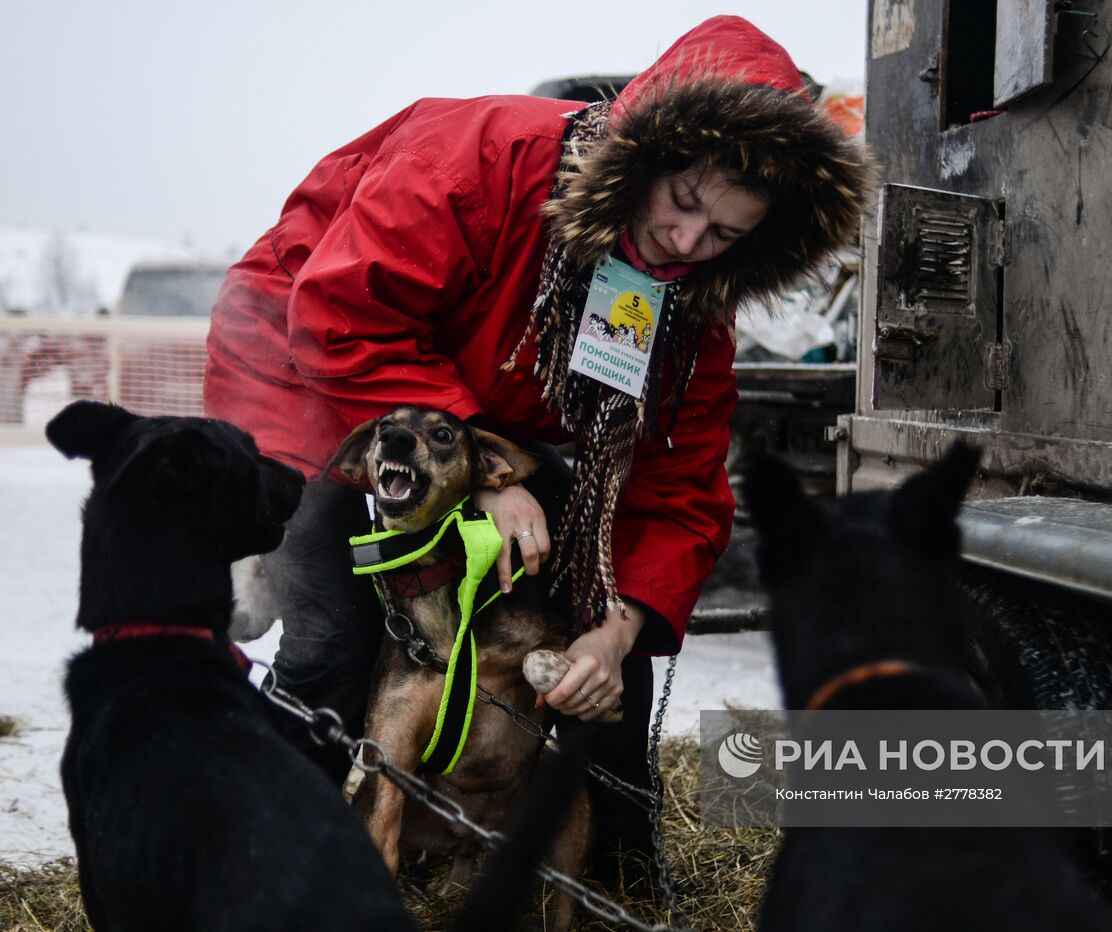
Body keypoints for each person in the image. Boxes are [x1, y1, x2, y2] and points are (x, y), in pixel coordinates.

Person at [203, 14, 872, 861]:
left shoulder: (687, 309)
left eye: (726, 236)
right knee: (334, 641)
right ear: (643, 156)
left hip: (480, 425)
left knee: (593, 613)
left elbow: (680, 493)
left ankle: (622, 868)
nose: (686, 242)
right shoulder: (484, 155)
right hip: (317, 380)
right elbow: (343, 313)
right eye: (684, 202)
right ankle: (246, 855)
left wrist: (618, 628)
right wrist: (485, 469)